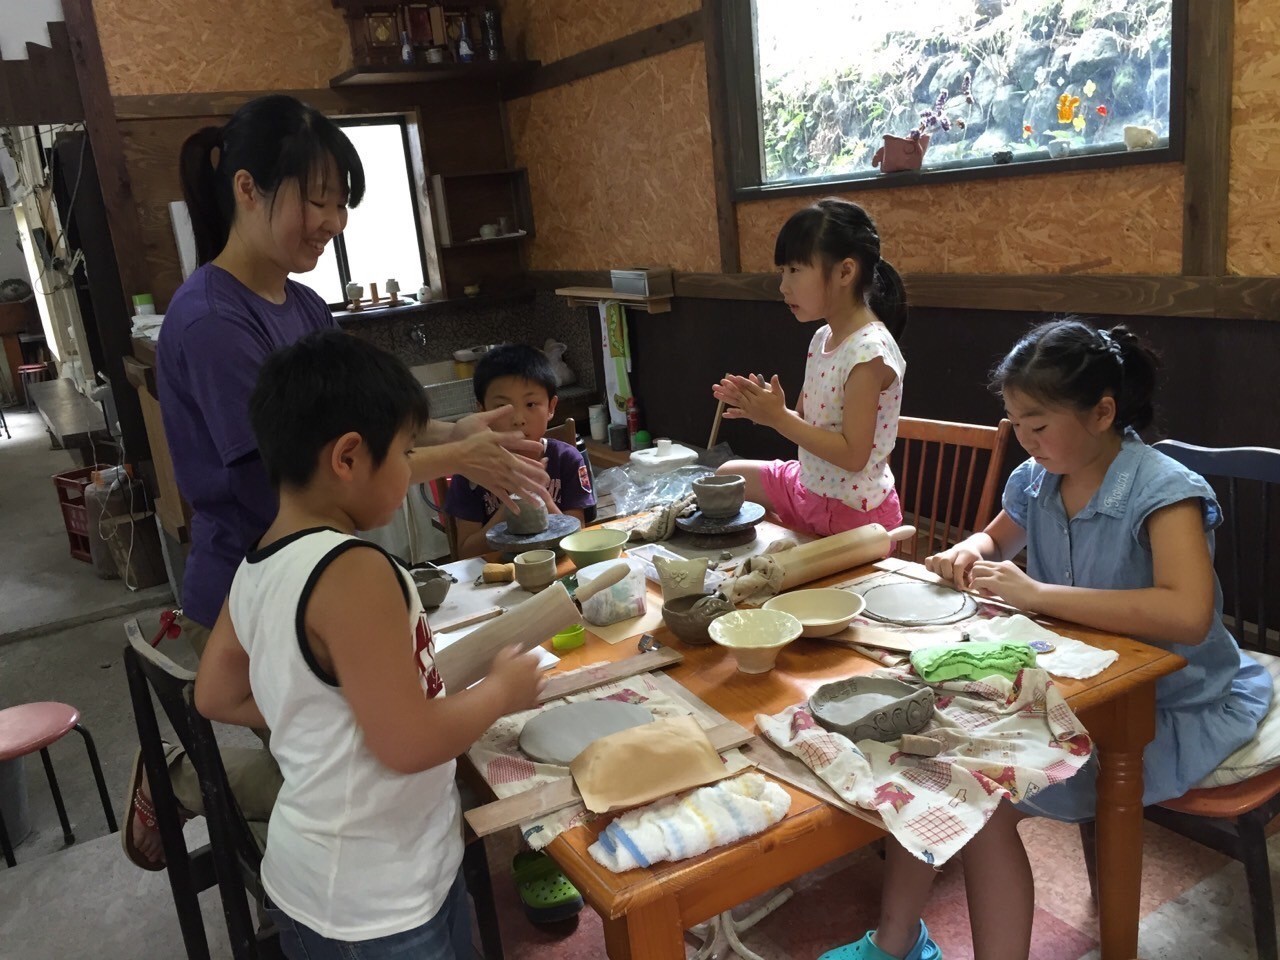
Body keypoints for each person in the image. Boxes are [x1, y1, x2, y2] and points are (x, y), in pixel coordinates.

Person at [125, 93, 549, 870]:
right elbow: (294, 485)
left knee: (373, 750)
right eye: (316, 200)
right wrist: (455, 459)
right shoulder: (212, 322)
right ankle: (185, 778)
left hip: (314, 575)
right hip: (253, 587)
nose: (333, 221)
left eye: (340, 202)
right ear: (247, 189)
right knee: (352, 766)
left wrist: (459, 431)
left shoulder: (303, 303)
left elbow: (368, 425)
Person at [820, 318, 1272, 960]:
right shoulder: (1040, 478)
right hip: (1079, 688)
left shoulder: (1165, 491)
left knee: (983, 803)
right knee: (925, 760)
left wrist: (1037, 595)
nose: (1026, 442)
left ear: (1102, 413)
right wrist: (969, 551)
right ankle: (895, 942)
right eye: (1016, 425)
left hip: (1170, 706)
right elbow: (997, 537)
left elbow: (1188, 614)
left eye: (1037, 425)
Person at [195, 330, 544, 958]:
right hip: (378, 904)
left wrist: (320, 713)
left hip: (321, 884)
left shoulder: (257, 562)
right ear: (348, 457)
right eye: (406, 453)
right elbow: (408, 743)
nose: (412, 470)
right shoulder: (353, 570)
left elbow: (215, 694)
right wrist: (500, 690)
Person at [712, 198, 906, 538]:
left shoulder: (869, 353)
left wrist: (778, 418)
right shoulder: (822, 337)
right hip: (809, 486)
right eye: (782, 271)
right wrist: (765, 408)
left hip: (851, 511)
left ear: (845, 272)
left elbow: (853, 456)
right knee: (726, 475)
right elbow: (805, 422)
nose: (783, 286)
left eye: (795, 270)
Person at [446, 344, 595, 558]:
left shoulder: (567, 460)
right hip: (499, 572)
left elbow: (577, 538)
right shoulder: (472, 471)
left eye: (531, 404)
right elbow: (466, 553)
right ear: (482, 411)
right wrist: (511, 506)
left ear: (551, 407)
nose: (518, 419)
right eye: (502, 407)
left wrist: (540, 498)